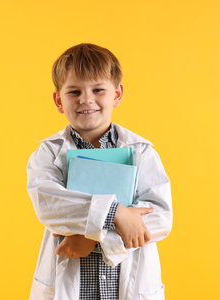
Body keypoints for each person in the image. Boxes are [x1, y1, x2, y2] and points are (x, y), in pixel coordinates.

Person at [26, 43, 172, 300]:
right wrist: (117, 214)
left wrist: (93, 239)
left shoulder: (142, 152)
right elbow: (49, 205)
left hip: (128, 287)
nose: (86, 99)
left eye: (98, 90)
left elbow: (159, 218)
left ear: (117, 95)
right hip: (71, 287)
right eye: (74, 91)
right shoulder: (48, 154)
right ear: (59, 100)